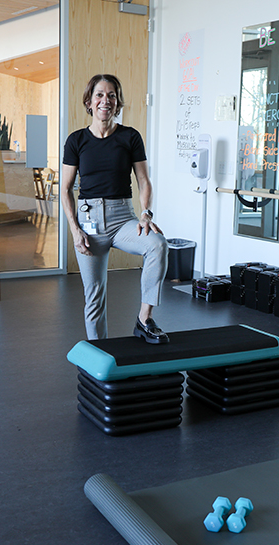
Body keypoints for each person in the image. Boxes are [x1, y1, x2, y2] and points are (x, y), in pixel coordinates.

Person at [60, 74, 169, 343]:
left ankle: (144, 319)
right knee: (94, 294)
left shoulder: (130, 137)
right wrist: (75, 230)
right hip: (89, 221)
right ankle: (100, 352)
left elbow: (144, 181)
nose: (105, 101)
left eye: (111, 95)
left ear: (117, 102)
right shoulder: (76, 141)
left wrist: (145, 213)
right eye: (99, 95)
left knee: (157, 245)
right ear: (89, 101)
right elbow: (64, 189)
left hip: (123, 218)